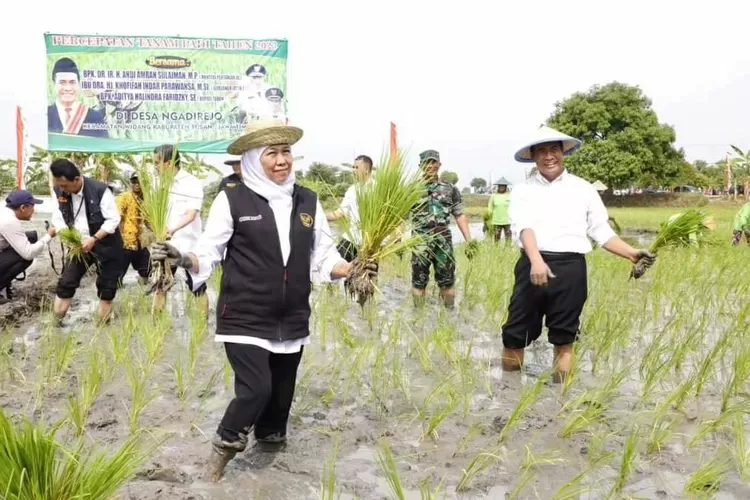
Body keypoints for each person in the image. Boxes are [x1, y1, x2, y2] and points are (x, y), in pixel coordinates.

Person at [149, 119, 375, 482]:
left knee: (278, 407)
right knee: (256, 389)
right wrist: (184, 258)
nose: (282, 160)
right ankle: (220, 454)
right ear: (254, 158)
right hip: (244, 314)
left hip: (292, 317)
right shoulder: (233, 198)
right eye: (272, 153)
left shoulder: (307, 200)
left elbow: (324, 255)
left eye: (286, 152)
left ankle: (270, 466)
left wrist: (350, 269)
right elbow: (210, 251)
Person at [501, 126, 656, 383]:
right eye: (542, 151)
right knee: (516, 332)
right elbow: (523, 227)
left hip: (571, 268)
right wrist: (537, 260)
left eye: (554, 150)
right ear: (533, 156)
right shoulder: (523, 190)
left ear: (563, 153)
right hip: (532, 264)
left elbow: (600, 230)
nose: (548, 156)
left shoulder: (583, 188)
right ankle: (509, 394)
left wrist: (632, 253)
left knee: (565, 336)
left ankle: (559, 400)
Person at [50, 158, 123, 324]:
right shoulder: (59, 191)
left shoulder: (100, 190)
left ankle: (102, 329)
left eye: (64, 185)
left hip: (106, 244)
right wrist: (68, 236)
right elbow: (58, 218)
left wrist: (94, 238)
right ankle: (54, 325)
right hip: (78, 245)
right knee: (66, 282)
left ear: (77, 179)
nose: (62, 189)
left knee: (107, 288)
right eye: (59, 185)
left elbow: (113, 220)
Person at [410, 149, 472, 309]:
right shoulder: (411, 190)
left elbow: (459, 215)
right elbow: (398, 216)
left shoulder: (450, 189)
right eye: (426, 163)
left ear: (439, 164)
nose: (430, 166)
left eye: (433, 162)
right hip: (419, 242)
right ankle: (419, 317)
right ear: (420, 166)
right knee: (418, 282)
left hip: (443, 242)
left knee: (447, 282)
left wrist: (469, 240)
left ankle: (449, 314)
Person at [152, 144, 207, 311]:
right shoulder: (158, 184)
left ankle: (202, 326)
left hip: (189, 245)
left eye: (157, 163)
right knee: (160, 285)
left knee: (197, 287)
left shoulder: (191, 183)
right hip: (166, 245)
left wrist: (171, 230)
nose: (154, 167)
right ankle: (157, 327)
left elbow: (191, 214)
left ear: (168, 163)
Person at [0, 191, 56, 303]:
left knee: (31, 237)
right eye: (32, 207)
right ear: (23, 207)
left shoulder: (4, 212)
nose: (34, 211)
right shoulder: (9, 221)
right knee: (25, 257)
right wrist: (49, 236)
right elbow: (28, 253)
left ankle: (5, 285)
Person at [325, 155, 374, 262]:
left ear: (366, 169)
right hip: (352, 238)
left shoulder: (377, 189)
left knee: (366, 274)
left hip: (371, 242)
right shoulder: (352, 190)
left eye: (356, 167)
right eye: (353, 167)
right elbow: (340, 213)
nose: (353, 171)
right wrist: (319, 216)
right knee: (335, 264)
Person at [47, 57, 108, 138]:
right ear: (53, 84)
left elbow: (103, 147)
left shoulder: (95, 117)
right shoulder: (45, 115)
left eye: (72, 82)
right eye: (62, 82)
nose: (68, 88)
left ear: (79, 84)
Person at [116, 172, 150, 285]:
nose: (137, 184)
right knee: (118, 276)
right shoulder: (124, 197)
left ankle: (143, 292)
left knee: (146, 269)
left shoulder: (146, 200)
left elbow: (148, 221)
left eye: (139, 182)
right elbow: (116, 216)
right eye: (134, 182)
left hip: (140, 241)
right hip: (126, 241)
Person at [488, 178, 511, 244]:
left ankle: (508, 251)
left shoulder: (509, 196)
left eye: (503, 186)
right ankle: (497, 251)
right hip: (496, 221)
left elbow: (513, 208)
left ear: (506, 187)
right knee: (496, 239)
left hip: (507, 221)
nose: (501, 187)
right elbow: (490, 208)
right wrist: (488, 219)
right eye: (500, 186)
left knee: (508, 239)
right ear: (498, 186)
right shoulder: (493, 196)